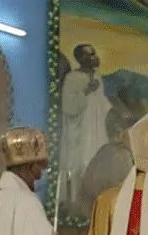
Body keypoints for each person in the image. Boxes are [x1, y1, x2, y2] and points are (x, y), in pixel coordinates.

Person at [61, 43, 113, 215]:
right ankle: (77, 210)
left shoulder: (97, 77)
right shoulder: (72, 78)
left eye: (94, 53)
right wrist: (86, 91)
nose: (94, 57)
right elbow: (68, 106)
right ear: (80, 58)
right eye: (89, 54)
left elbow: (102, 103)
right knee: (80, 168)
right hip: (81, 134)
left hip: (98, 133)